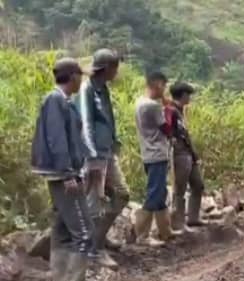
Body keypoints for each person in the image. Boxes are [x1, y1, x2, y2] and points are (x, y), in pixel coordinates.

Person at [31, 58, 101, 281]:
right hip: (64, 175)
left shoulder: (62, 101)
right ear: (72, 76)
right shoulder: (55, 100)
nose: (81, 80)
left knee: (61, 229)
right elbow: (57, 140)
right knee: (83, 230)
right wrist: (69, 173)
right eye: (79, 76)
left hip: (64, 173)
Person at [77, 48, 129, 268]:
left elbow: (107, 119)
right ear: (106, 68)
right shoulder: (86, 90)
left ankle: (100, 236)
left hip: (107, 152)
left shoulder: (103, 89)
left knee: (122, 195)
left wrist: (114, 140)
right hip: (94, 155)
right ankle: (93, 250)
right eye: (115, 67)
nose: (117, 72)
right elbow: (85, 124)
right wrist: (91, 157)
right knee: (94, 204)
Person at [133, 71, 172, 246]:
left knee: (160, 192)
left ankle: (166, 231)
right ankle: (143, 235)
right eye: (163, 85)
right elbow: (167, 129)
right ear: (157, 84)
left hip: (148, 153)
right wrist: (168, 108)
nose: (164, 89)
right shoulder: (153, 106)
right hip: (157, 154)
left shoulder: (139, 102)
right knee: (155, 193)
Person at [167, 82, 206, 234]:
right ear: (182, 95)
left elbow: (185, 135)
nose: (189, 97)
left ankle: (193, 218)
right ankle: (179, 223)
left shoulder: (180, 111)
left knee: (198, 184)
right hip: (179, 154)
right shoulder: (170, 110)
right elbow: (170, 133)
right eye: (188, 94)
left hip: (187, 153)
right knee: (180, 189)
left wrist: (194, 154)